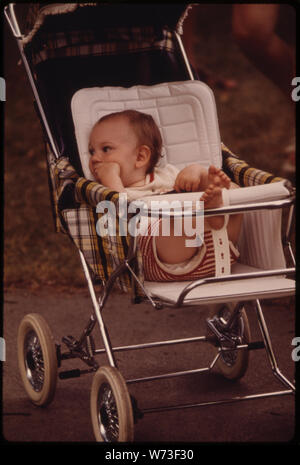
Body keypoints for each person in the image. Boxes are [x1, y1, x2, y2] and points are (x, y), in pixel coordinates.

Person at [88, 109, 242, 281]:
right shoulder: (105, 191)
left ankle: (215, 206)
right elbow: (121, 217)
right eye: (92, 151)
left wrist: (194, 173)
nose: (95, 158)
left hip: (221, 250)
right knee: (172, 220)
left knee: (234, 193)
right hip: (163, 262)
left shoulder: (168, 175)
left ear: (140, 156)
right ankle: (210, 215)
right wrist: (111, 179)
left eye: (105, 149)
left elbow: (189, 186)